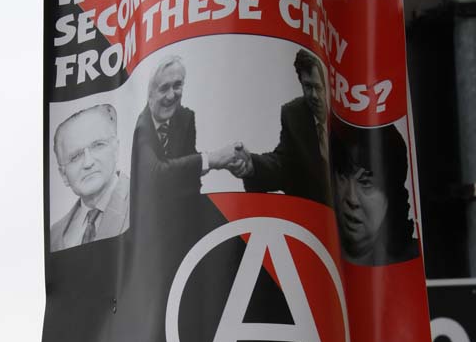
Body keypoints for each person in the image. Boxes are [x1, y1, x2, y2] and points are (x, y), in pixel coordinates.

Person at [131, 55, 246, 199]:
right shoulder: (140, 125)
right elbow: (156, 172)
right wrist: (211, 159)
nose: (171, 95)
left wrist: (226, 161)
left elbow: (188, 167)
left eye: (177, 85)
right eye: (164, 88)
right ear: (149, 94)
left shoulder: (186, 117)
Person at [238, 48, 332, 206]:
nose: (314, 96)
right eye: (308, 87)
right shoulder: (294, 114)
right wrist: (253, 166)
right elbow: (286, 166)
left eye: (320, 88)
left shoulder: (348, 114)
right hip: (314, 217)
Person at [330, 118, 419, 266]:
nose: (352, 199)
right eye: (343, 175)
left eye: (366, 182)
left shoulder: (415, 261)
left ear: (392, 193)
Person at [50, 103, 130, 252]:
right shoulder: (54, 235)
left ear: (116, 149)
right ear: (63, 175)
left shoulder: (147, 201)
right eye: (75, 156)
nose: (88, 163)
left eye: (98, 145)